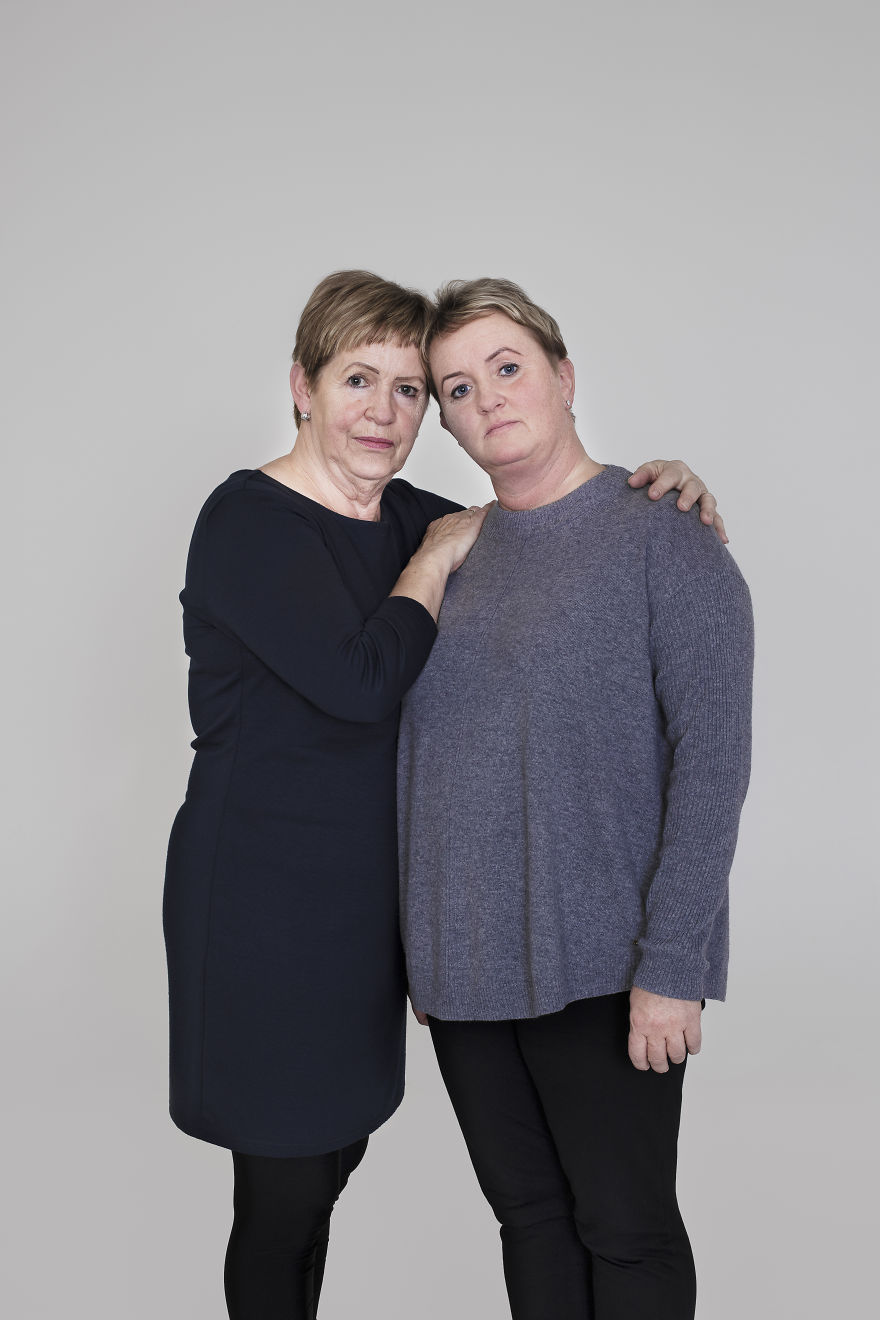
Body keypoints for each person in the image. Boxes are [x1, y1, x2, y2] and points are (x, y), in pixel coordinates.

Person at [163, 268, 725, 1320]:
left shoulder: (426, 514)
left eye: (414, 389)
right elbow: (365, 680)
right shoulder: (256, 523)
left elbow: (554, 532)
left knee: (339, 1173)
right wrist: (429, 558)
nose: (387, 411)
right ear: (301, 384)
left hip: (387, 924)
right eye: (357, 380)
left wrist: (662, 486)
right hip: (267, 914)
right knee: (290, 1192)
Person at [398, 278, 754, 1320]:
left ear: (561, 375)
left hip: (606, 965)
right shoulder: (443, 549)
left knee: (625, 1230)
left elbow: (713, 765)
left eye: (507, 368)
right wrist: (420, 947)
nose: (487, 399)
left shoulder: (663, 534)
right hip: (463, 971)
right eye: (457, 388)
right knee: (530, 1223)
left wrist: (672, 967)